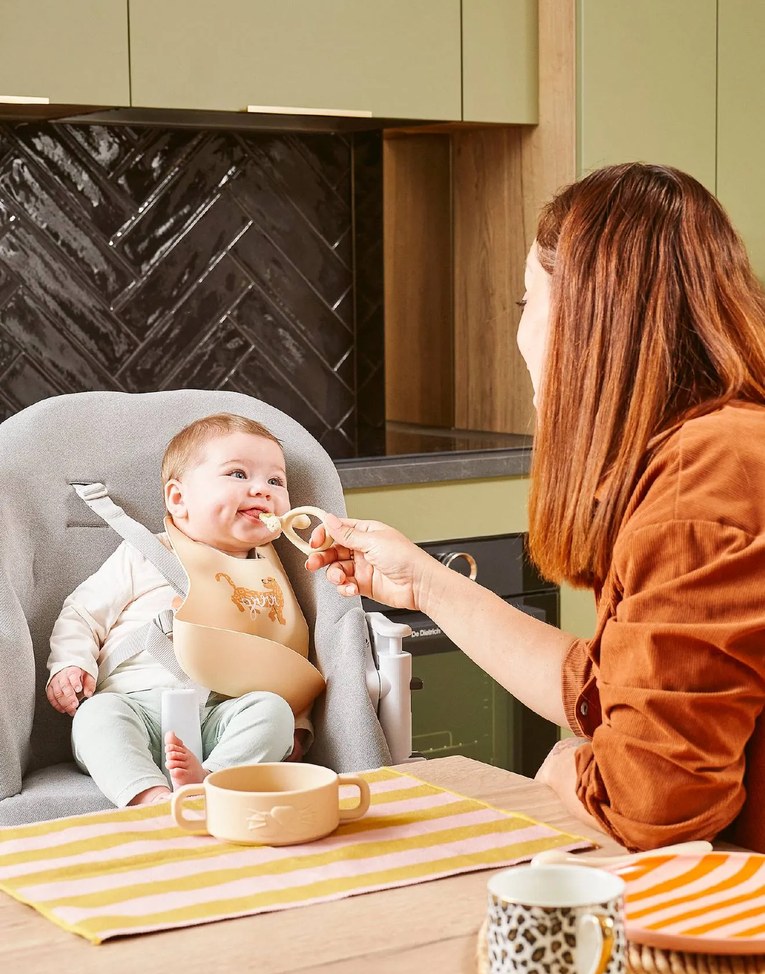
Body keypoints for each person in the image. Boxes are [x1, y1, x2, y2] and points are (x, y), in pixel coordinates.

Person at [307, 162, 765, 853]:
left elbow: (654, 805)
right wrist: (423, 583)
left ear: (585, 317)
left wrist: (564, 769)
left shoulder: (698, 481)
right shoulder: (723, 445)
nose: (520, 332)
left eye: (527, 302)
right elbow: (609, 687)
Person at [46, 413, 315, 807]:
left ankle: (210, 785)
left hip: (221, 716)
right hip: (135, 706)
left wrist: (298, 723)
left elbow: (290, 661)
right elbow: (83, 614)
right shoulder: (146, 554)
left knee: (273, 711)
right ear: (178, 499)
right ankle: (149, 797)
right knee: (95, 717)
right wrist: (71, 664)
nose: (262, 489)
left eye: (276, 481)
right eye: (238, 474)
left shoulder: (271, 576)